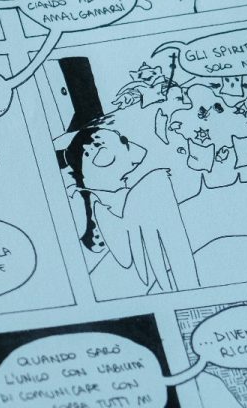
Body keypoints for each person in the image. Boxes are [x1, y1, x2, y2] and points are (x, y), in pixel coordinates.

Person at [61, 117, 196, 296]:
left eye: (123, 140)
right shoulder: (86, 203)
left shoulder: (133, 192)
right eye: (123, 141)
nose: (134, 149)